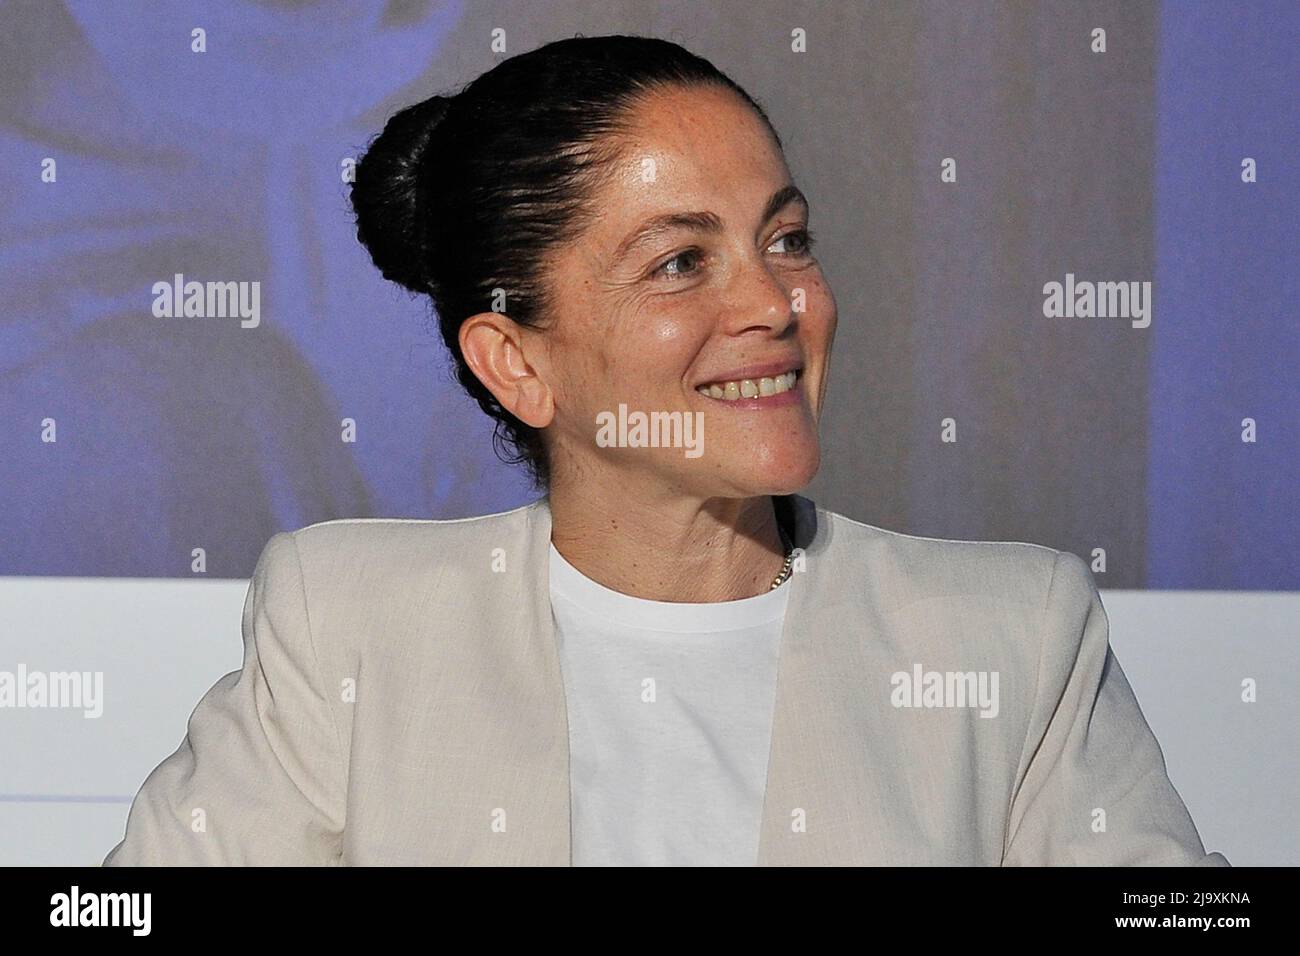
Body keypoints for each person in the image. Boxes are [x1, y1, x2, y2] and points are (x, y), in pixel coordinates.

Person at [103, 34, 1227, 866]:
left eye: (783, 239)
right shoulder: (349, 618)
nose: (775, 305)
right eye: (681, 262)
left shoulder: (1014, 631)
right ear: (515, 363)